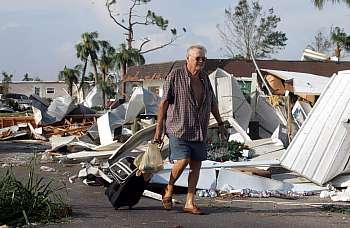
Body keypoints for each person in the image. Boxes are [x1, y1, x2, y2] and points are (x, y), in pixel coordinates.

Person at [154, 44, 228, 215]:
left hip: (199, 130)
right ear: (187, 59)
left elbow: (212, 103)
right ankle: (169, 188)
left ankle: (189, 202)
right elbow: (164, 102)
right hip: (179, 128)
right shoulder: (175, 75)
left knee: (196, 166)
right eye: (198, 58)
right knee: (183, 160)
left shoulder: (204, 78)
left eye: (203, 58)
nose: (201, 61)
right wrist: (159, 128)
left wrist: (221, 124)